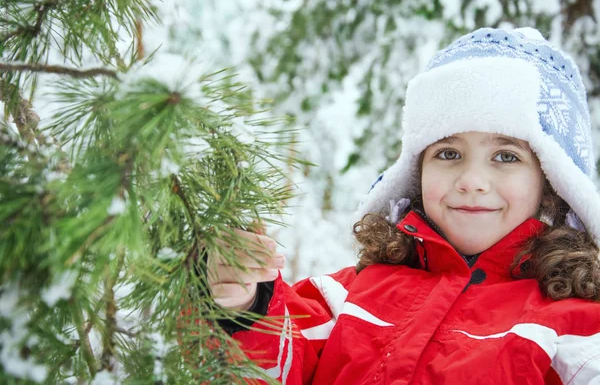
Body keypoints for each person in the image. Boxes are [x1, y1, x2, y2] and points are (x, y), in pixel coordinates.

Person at [208, 27, 600, 384]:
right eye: (448, 153)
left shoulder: (577, 330)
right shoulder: (343, 298)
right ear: (417, 171)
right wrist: (245, 303)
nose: (472, 182)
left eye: (506, 157)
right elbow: (265, 366)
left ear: (551, 182)